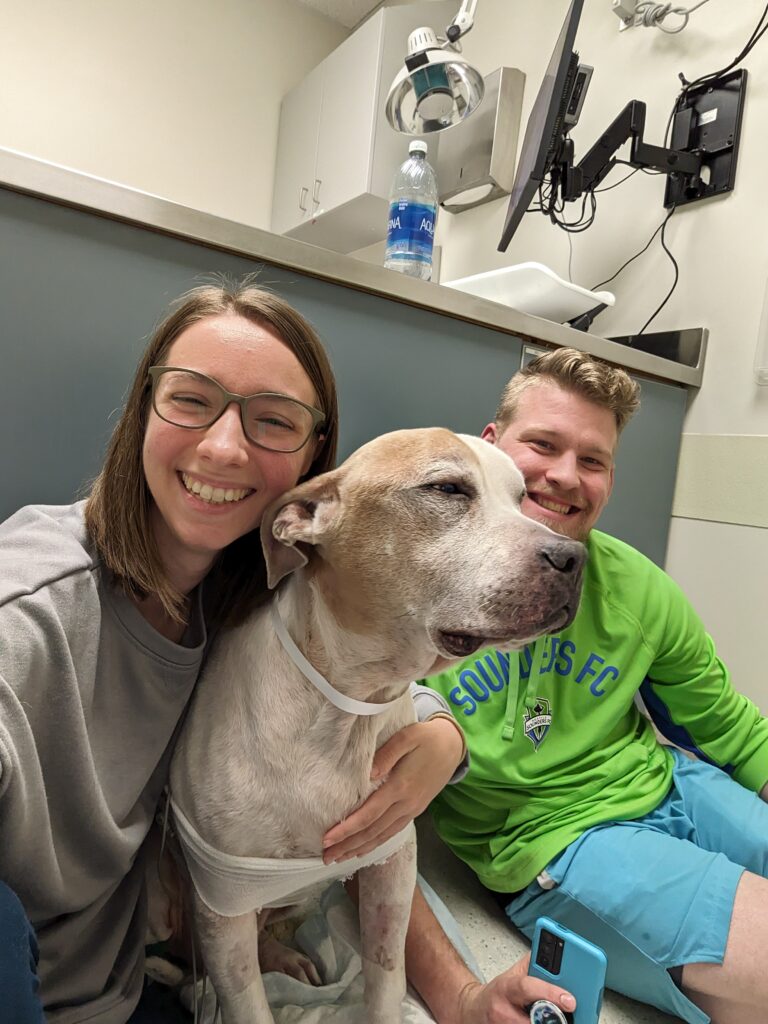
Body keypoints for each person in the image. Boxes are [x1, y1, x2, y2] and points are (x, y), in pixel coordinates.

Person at [0, 278, 476, 1024]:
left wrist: (442, 731)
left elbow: (350, 653)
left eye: (273, 420)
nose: (224, 447)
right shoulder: (34, 602)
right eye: (191, 400)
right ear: (143, 410)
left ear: (311, 476)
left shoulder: (248, 583)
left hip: (141, 972)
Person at [387, 347, 768, 1024]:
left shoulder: (639, 588)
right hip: (559, 841)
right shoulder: (408, 592)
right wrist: (459, 997)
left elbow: (731, 728)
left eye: (591, 460)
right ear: (492, 446)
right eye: (543, 444)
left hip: (675, 784)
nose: (566, 476)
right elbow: (366, 829)